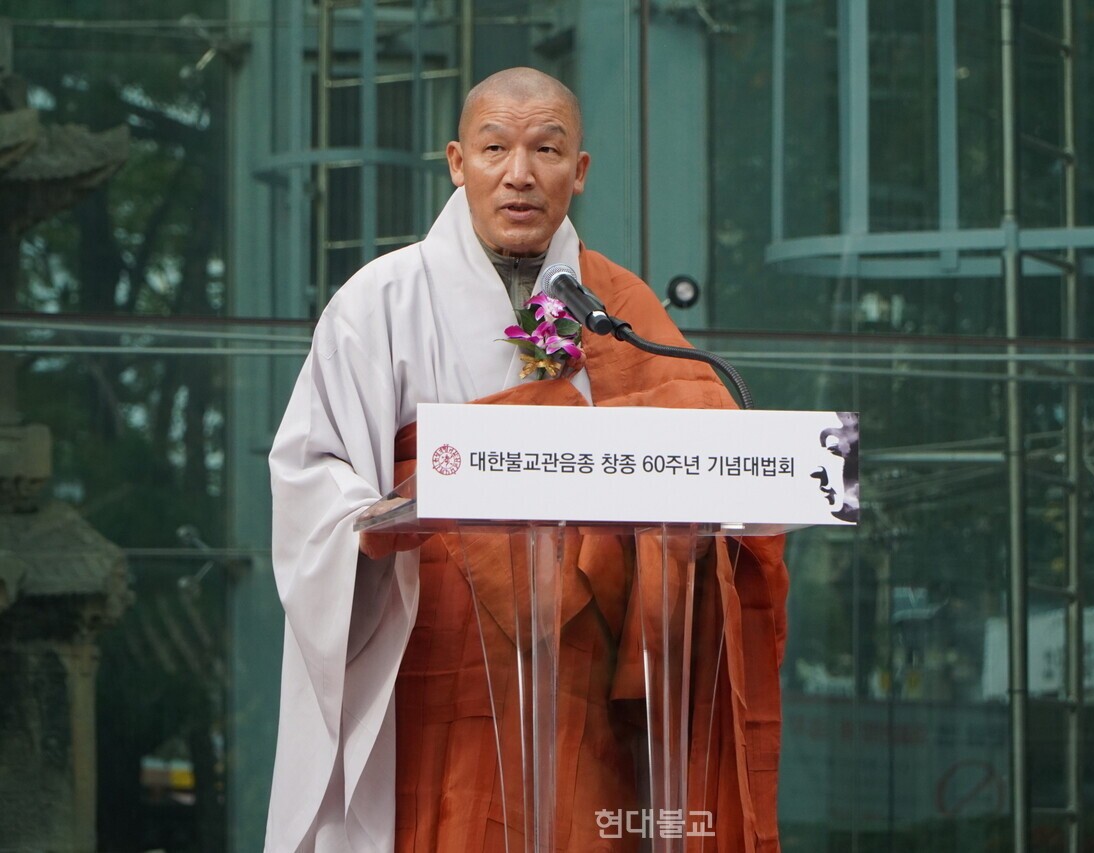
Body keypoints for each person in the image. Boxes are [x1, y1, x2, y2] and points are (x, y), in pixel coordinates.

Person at [266, 67, 788, 852]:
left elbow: (702, 437)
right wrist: (364, 523)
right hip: (437, 653)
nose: (520, 172)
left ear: (578, 171)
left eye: (546, 149)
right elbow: (315, 470)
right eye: (495, 147)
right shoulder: (380, 302)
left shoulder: (621, 310)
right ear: (456, 162)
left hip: (579, 678)